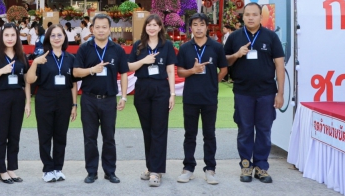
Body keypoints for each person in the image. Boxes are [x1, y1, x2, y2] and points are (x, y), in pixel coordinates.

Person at [224, 3, 284, 184]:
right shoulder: (234, 37)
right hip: (243, 91)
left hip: (266, 92)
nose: (250, 18)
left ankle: (261, 167)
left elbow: (279, 65)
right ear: (242, 17)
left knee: (264, 130)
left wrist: (280, 93)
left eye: (254, 14)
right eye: (247, 14)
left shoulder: (271, 37)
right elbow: (224, 61)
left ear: (260, 17)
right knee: (245, 129)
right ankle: (246, 165)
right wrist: (236, 54)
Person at [73, 14, 129, 184]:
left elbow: (124, 73)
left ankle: (110, 172)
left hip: (109, 99)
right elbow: (76, 72)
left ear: (109, 29)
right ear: (92, 29)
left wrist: (124, 97)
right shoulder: (84, 48)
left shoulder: (117, 49)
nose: (101, 30)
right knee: (89, 138)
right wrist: (92, 70)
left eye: (104, 27)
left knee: (109, 137)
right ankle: (91, 172)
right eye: (97, 27)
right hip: (89, 99)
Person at [177, 13, 228, 185]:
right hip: (190, 98)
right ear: (190, 27)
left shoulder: (217, 47)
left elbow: (224, 69)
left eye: (202, 24)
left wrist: (213, 82)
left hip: (209, 98)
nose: (198, 28)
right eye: (195, 25)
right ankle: (188, 168)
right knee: (189, 134)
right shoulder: (185, 48)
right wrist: (193, 70)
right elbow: (180, 72)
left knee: (209, 134)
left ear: (207, 27)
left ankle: (210, 169)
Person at [127, 14, 176, 187]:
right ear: (145, 27)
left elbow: (170, 70)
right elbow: (129, 66)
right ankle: (150, 166)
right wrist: (144, 61)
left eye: (155, 25)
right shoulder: (138, 45)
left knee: (159, 130)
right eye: (149, 25)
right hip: (142, 88)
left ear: (160, 27)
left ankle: (156, 170)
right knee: (147, 130)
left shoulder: (167, 45)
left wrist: (172, 94)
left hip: (161, 89)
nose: (152, 28)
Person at [26, 24, 78, 182]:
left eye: (59, 35)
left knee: (61, 135)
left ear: (64, 37)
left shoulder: (71, 58)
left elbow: (73, 83)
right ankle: (48, 169)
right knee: (45, 135)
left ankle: (58, 168)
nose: (56, 38)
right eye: (53, 35)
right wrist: (35, 63)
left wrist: (74, 105)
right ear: (48, 38)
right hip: (45, 98)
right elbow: (30, 80)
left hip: (64, 99)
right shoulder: (42, 57)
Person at [0, 23, 32, 183]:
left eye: (13, 35)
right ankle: (1, 170)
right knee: (1, 135)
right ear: (1, 37)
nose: (10, 38)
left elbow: (26, 80)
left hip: (18, 97)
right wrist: (1, 71)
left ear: (17, 37)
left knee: (14, 135)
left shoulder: (21, 56)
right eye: (6, 35)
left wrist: (28, 102)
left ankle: (11, 168)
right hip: (2, 96)